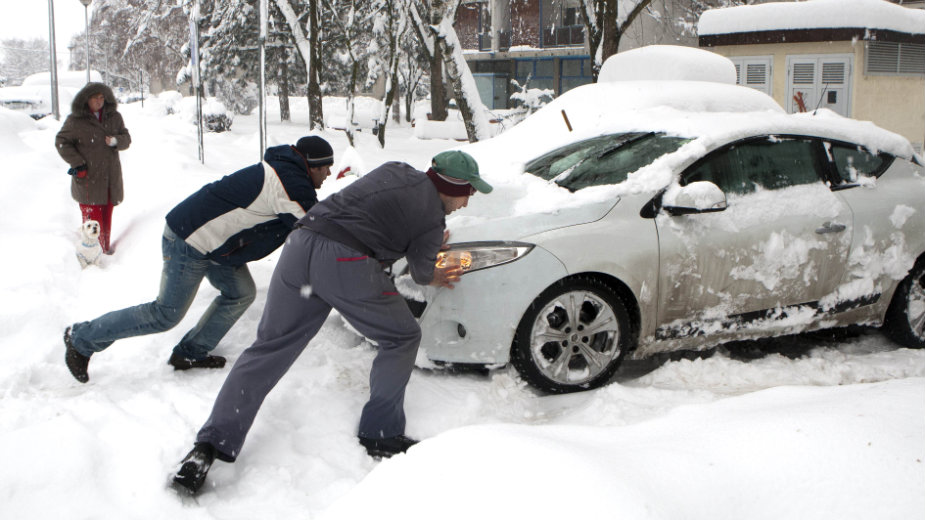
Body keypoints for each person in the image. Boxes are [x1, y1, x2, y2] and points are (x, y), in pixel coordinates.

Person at [171, 150, 492, 494]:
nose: (468, 201)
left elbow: (380, 216)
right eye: (468, 191)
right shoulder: (432, 220)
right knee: (402, 337)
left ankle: (208, 445)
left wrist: (419, 240)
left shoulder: (394, 169)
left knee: (268, 348)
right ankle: (380, 433)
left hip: (300, 245)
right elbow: (423, 272)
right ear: (450, 185)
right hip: (345, 261)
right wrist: (436, 266)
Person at [62, 136, 336, 383]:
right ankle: (81, 338)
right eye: (326, 168)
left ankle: (190, 352)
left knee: (240, 293)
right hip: (188, 240)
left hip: (216, 246)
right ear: (312, 165)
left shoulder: (287, 174)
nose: (329, 173)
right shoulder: (289, 184)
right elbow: (317, 227)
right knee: (165, 314)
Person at [55, 82, 132, 254]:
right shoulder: (76, 120)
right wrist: (78, 163)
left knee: (106, 217)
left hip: (110, 178)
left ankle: (104, 251)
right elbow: (61, 142)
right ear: (86, 99)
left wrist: (115, 141)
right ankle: (92, 255)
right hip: (89, 179)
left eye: (102, 97)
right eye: (95, 97)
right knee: (92, 221)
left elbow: (126, 138)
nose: (99, 101)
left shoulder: (114, 117)